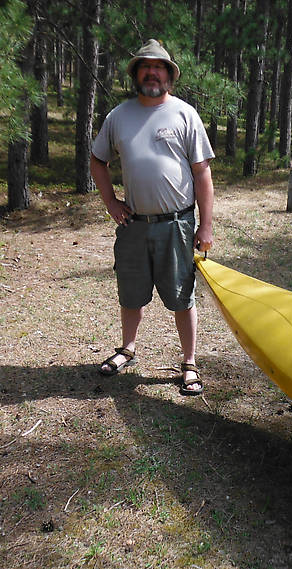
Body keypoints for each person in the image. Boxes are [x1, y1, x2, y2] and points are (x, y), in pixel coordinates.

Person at [90, 39, 214, 396]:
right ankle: (127, 349)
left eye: (158, 67)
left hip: (177, 224)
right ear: (136, 74)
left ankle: (189, 362)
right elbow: (98, 160)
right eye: (145, 66)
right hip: (133, 226)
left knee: (181, 296)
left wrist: (204, 225)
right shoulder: (119, 116)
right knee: (130, 293)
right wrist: (111, 200)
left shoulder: (184, 114)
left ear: (169, 75)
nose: (151, 72)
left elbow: (202, 173)